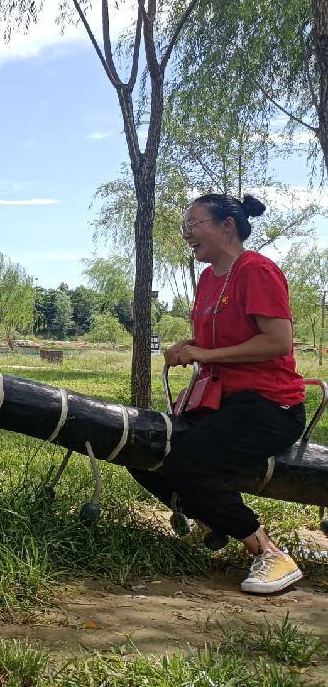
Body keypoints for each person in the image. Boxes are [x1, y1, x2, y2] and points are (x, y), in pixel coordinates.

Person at [129, 193, 307, 596]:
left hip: (268, 407)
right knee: (140, 452)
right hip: (220, 402)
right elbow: (224, 336)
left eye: (195, 223)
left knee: (189, 464)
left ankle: (269, 552)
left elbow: (278, 342)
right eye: (185, 226)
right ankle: (216, 521)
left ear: (227, 226)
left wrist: (206, 353)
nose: (187, 233)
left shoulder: (257, 270)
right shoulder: (209, 279)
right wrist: (190, 345)